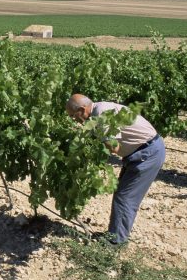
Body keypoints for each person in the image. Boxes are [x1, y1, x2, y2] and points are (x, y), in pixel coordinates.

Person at [65, 94, 166, 244]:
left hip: (148, 153)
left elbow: (114, 147)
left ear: (82, 109)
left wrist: (94, 143)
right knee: (122, 194)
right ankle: (114, 235)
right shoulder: (97, 111)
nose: (74, 120)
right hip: (141, 152)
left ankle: (115, 242)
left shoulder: (101, 115)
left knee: (125, 197)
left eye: (74, 116)